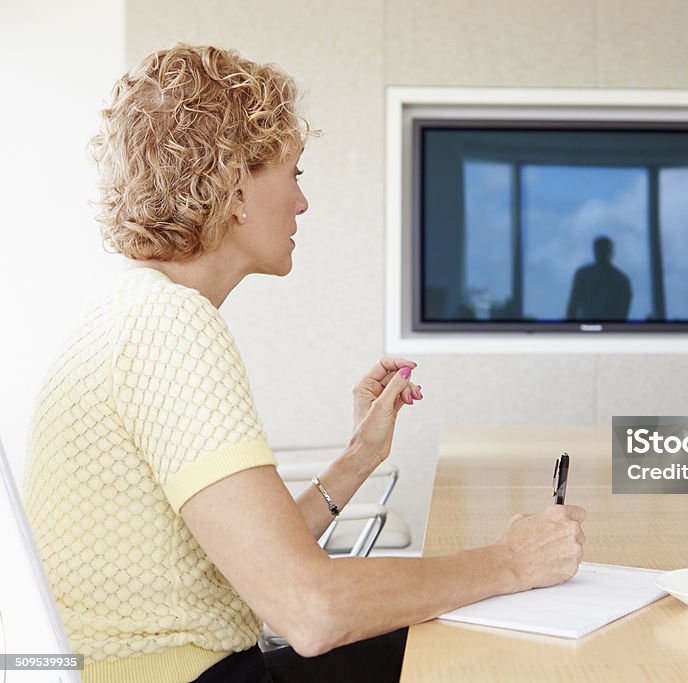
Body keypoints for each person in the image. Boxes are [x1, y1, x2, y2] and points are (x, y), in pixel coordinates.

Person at [22, 43, 586, 683]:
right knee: (488, 648)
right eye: (293, 174)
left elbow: (256, 559)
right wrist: (511, 561)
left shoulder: (129, 309)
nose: (302, 202)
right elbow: (310, 611)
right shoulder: (168, 325)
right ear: (234, 183)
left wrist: (357, 459)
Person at [565, 236, 632, 321]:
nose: (601, 253)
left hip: (609, 331)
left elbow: (622, 312)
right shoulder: (583, 274)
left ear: (610, 252)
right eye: (600, 249)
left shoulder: (621, 280)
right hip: (585, 328)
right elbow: (573, 304)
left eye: (604, 250)